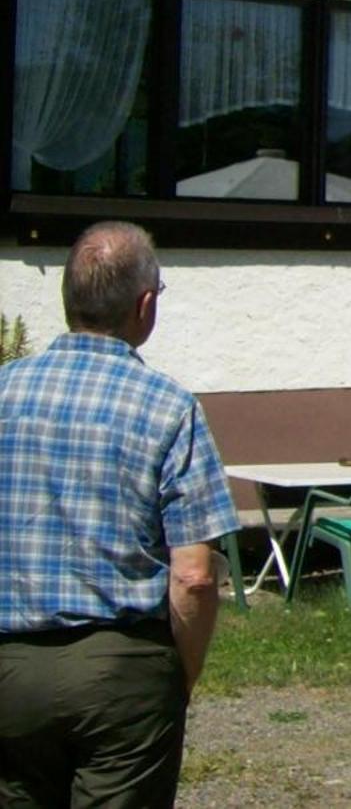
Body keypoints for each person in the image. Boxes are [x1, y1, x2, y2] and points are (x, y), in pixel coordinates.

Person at [0, 221, 237, 808]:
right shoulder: (170, 408)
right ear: (146, 304)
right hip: (123, 669)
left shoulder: (3, 391)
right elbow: (195, 575)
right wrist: (177, 677)